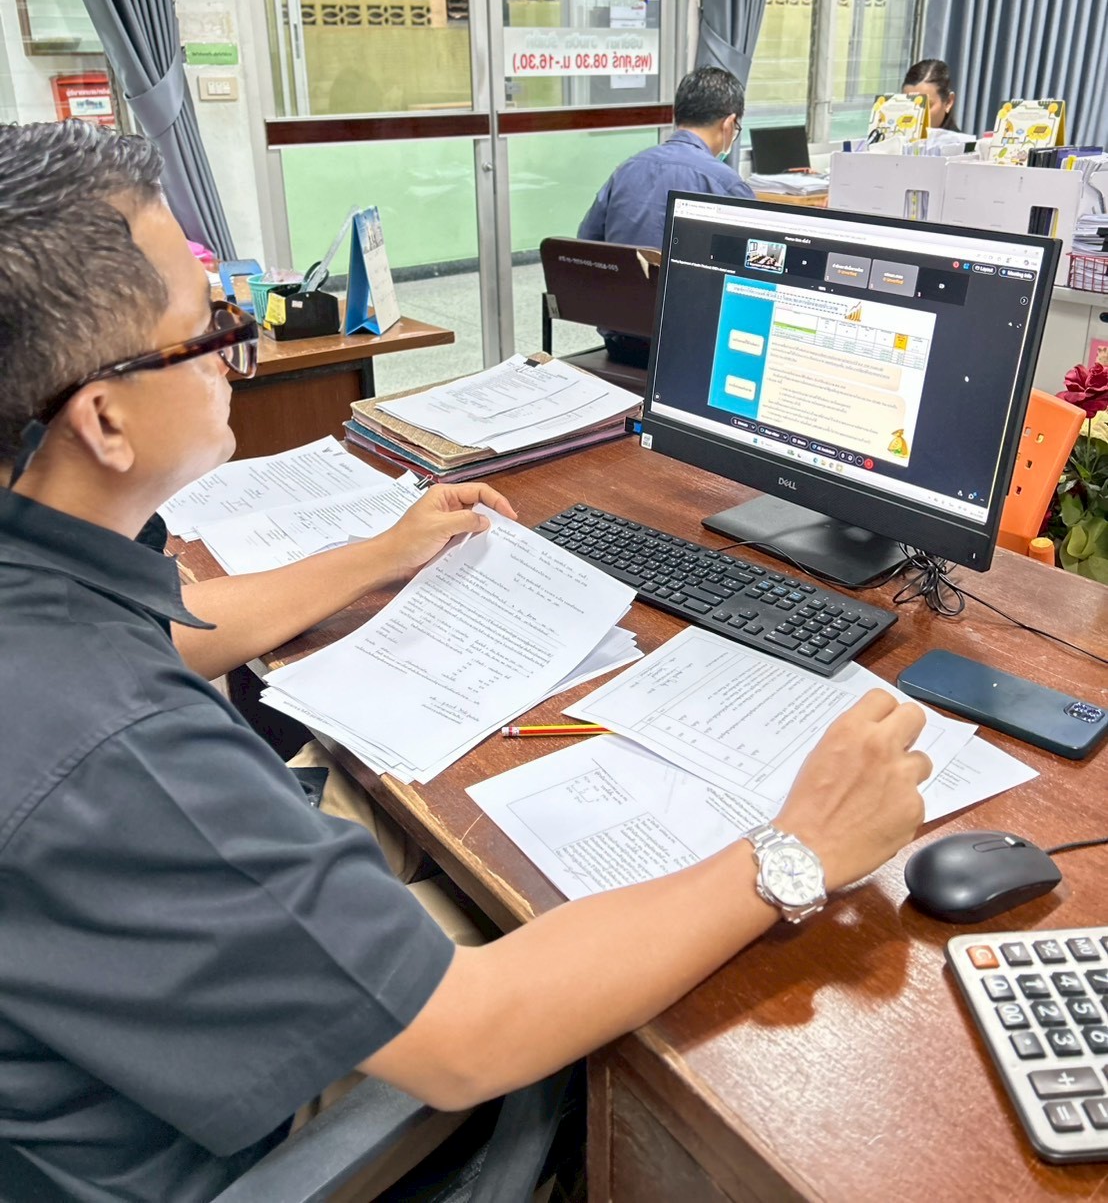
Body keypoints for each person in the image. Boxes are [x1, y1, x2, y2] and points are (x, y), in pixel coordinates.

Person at [0, 120, 931, 1201]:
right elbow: (470, 1036)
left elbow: (169, 622)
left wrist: (378, 555)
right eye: (206, 328)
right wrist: (799, 847)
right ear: (103, 419)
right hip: (220, 1149)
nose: (230, 344)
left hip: (118, 1043)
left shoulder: (42, 584)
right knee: (591, 968)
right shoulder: (119, 747)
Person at [578, 65, 754, 251]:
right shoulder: (727, 184)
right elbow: (755, 256)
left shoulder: (626, 170)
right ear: (728, 124)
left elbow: (586, 240)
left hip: (623, 271)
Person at [902, 58, 960, 133]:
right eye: (908, 105)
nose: (916, 114)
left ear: (948, 102)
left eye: (926, 106)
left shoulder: (961, 141)